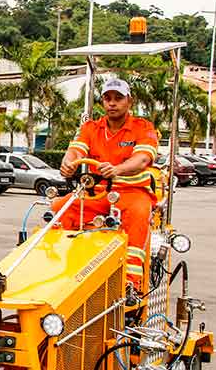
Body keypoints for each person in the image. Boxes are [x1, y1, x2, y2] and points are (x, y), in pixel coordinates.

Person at [54, 78, 159, 288]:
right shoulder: (91, 127)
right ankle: (61, 269)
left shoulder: (143, 127)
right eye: (107, 98)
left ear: (130, 101)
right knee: (60, 207)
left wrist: (118, 169)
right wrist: (68, 163)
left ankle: (130, 283)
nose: (112, 103)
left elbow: (143, 159)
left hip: (133, 192)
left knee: (139, 215)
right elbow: (76, 150)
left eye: (118, 98)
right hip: (99, 193)